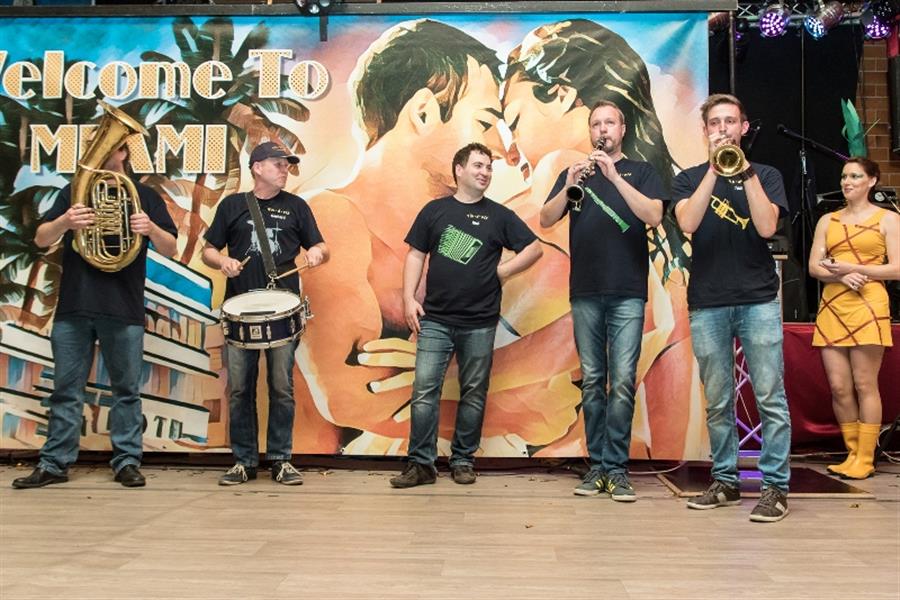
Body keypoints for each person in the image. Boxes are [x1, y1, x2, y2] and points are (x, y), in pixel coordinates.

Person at [12, 142, 178, 489]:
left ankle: (127, 461)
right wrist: (65, 221)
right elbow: (41, 238)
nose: (100, 152)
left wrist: (150, 229)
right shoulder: (75, 191)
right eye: (94, 146)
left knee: (126, 391)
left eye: (108, 146)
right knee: (65, 390)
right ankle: (54, 464)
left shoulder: (144, 196)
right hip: (75, 305)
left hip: (123, 306)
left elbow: (170, 247)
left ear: (123, 153)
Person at [389, 142, 543, 487]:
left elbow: (534, 248)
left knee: (473, 392)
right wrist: (408, 298)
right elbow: (416, 255)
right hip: (435, 320)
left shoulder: (499, 215)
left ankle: (462, 460)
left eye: (488, 167)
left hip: (480, 322)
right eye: (478, 165)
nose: (485, 172)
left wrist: (503, 272)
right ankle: (421, 465)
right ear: (459, 170)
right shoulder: (435, 211)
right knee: (424, 391)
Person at [672, 93, 792, 522]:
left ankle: (775, 488)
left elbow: (767, 226)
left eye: (730, 122)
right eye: (715, 123)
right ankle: (725, 481)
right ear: (705, 131)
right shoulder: (688, 178)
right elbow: (687, 222)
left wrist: (744, 172)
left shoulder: (767, 175)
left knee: (770, 397)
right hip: (708, 302)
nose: (722, 129)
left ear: (743, 128)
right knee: (718, 400)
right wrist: (713, 168)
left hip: (758, 300)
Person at [540, 100, 666, 501]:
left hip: (627, 290)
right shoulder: (577, 172)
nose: (602, 130)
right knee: (593, 381)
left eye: (609, 123)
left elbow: (654, 216)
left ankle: (617, 469)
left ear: (622, 129)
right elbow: (545, 219)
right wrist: (568, 185)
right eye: (596, 124)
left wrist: (613, 176)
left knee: (623, 381)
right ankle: (596, 466)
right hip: (586, 291)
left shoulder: (641, 171)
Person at [202, 141, 328, 486]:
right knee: (240, 389)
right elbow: (208, 250)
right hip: (240, 311)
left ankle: (281, 459)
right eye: (278, 164)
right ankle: (243, 461)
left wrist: (317, 253)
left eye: (287, 165)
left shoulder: (296, 207)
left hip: (282, 310)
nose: (285, 169)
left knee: (281, 386)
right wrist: (223, 261)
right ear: (257, 167)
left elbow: (321, 246)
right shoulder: (232, 206)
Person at [809, 157, 900, 480]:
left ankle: (866, 456)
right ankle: (852, 453)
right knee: (839, 386)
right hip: (834, 302)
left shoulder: (888, 219)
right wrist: (841, 276)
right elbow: (815, 267)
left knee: (864, 383)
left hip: (869, 302)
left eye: (856, 176)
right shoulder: (827, 220)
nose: (847, 182)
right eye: (845, 176)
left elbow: (897, 268)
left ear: (872, 181)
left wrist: (854, 269)